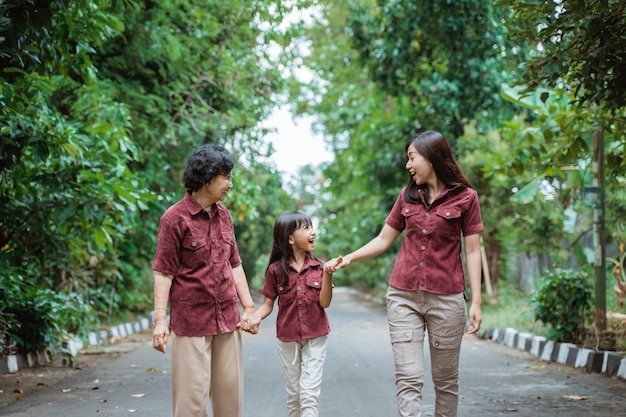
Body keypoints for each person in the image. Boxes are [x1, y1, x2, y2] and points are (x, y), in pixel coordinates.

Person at [327, 130, 484, 417]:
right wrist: (350, 257)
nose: (408, 165)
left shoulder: (466, 198)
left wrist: (476, 301)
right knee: (408, 377)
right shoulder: (406, 197)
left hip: (447, 299)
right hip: (403, 296)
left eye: (412, 158)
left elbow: (472, 251)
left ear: (433, 158)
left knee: (446, 381)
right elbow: (384, 239)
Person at [151, 143, 260, 417]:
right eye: (226, 177)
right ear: (207, 178)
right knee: (192, 404)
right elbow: (163, 272)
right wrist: (160, 322)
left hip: (227, 319)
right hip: (191, 322)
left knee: (230, 402)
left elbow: (234, 264)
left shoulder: (225, 216)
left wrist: (248, 307)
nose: (230, 184)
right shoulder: (174, 219)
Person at [253, 211, 340, 417]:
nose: (313, 233)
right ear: (290, 238)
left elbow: (325, 303)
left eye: (312, 227)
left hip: (316, 337)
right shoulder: (275, 270)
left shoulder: (319, 267)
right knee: (294, 395)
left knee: (309, 394)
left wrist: (328, 274)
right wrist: (254, 317)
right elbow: (267, 304)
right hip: (288, 339)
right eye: (307, 228)